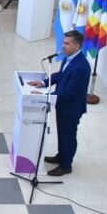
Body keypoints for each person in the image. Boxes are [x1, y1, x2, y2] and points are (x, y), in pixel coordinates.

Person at [27, 30, 91, 176]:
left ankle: (66, 165)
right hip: (62, 105)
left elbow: (69, 92)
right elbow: (61, 75)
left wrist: (46, 96)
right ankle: (61, 156)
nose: (63, 46)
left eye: (67, 43)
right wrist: (44, 82)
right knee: (63, 134)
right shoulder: (69, 58)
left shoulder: (81, 67)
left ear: (77, 45)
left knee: (68, 136)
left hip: (71, 108)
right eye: (63, 42)